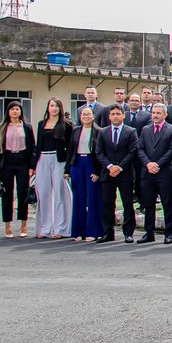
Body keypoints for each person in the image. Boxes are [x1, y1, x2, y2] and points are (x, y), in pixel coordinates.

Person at [94, 105, 138, 244]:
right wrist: (110, 166)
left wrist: (119, 167)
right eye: (113, 114)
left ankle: (128, 233)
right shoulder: (103, 132)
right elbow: (99, 152)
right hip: (107, 174)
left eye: (118, 113)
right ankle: (108, 232)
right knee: (107, 204)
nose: (115, 116)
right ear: (109, 116)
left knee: (127, 203)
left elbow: (132, 152)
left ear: (123, 115)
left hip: (125, 174)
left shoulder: (131, 132)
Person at [137, 103, 172, 244]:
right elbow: (140, 148)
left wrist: (158, 164)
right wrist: (148, 163)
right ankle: (149, 233)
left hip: (164, 173)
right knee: (148, 204)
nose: (155, 115)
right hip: (147, 172)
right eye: (153, 113)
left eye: (158, 113)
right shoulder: (145, 129)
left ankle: (168, 233)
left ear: (165, 115)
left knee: (167, 204)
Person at [0, 100, 35, 239]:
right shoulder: (1, 127)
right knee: (7, 194)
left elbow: (32, 148)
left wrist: (31, 166)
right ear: (8, 112)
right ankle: (7, 225)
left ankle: (23, 224)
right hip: (7, 161)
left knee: (23, 193)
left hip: (22, 161)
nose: (15, 111)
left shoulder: (27, 127)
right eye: (12, 109)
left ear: (21, 111)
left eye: (17, 109)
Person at [33, 98, 73, 239]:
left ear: (60, 108)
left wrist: (67, 167)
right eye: (51, 105)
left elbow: (70, 147)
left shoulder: (67, 125)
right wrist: (33, 165)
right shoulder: (41, 124)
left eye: (57, 106)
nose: (54, 108)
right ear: (48, 107)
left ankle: (60, 228)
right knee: (43, 194)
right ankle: (45, 227)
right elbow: (37, 146)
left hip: (59, 160)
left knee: (59, 193)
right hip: (42, 159)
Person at [65, 106, 102, 242]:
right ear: (80, 117)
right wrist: (67, 170)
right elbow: (70, 150)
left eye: (88, 114)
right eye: (83, 115)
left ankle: (93, 231)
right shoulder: (75, 131)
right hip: (77, 164)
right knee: (78, 199)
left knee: (92, 199)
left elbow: (100, 153)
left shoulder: (98, 132)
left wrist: (97, 171)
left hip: (91, 165)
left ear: (93, 116)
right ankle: (78, 231)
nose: (86, 117)